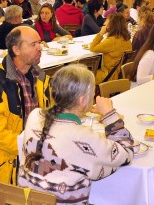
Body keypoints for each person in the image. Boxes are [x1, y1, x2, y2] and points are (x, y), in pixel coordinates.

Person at [18, 64, 133, 204]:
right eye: (93, 93)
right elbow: (125, 153)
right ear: (82, 101)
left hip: (28, 200)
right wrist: (110, 115)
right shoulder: (82, 137)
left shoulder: (35, 116)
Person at [0, 26, 52, 187]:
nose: (40, 47)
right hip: (7, 165)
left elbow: (53, 111)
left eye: (39, 42)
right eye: (33, 44)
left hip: (34, 154)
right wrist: (30, 147)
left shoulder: (40, 77)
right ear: (16, 49)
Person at [90, 13, 133, 83]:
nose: (104, 23)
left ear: (111, 25)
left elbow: (92, 47)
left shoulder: (111, 41)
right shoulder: (127, 39)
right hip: (121, 75)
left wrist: (101, 33)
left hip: (109, 75)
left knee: (88, 75)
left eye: (107, 21)